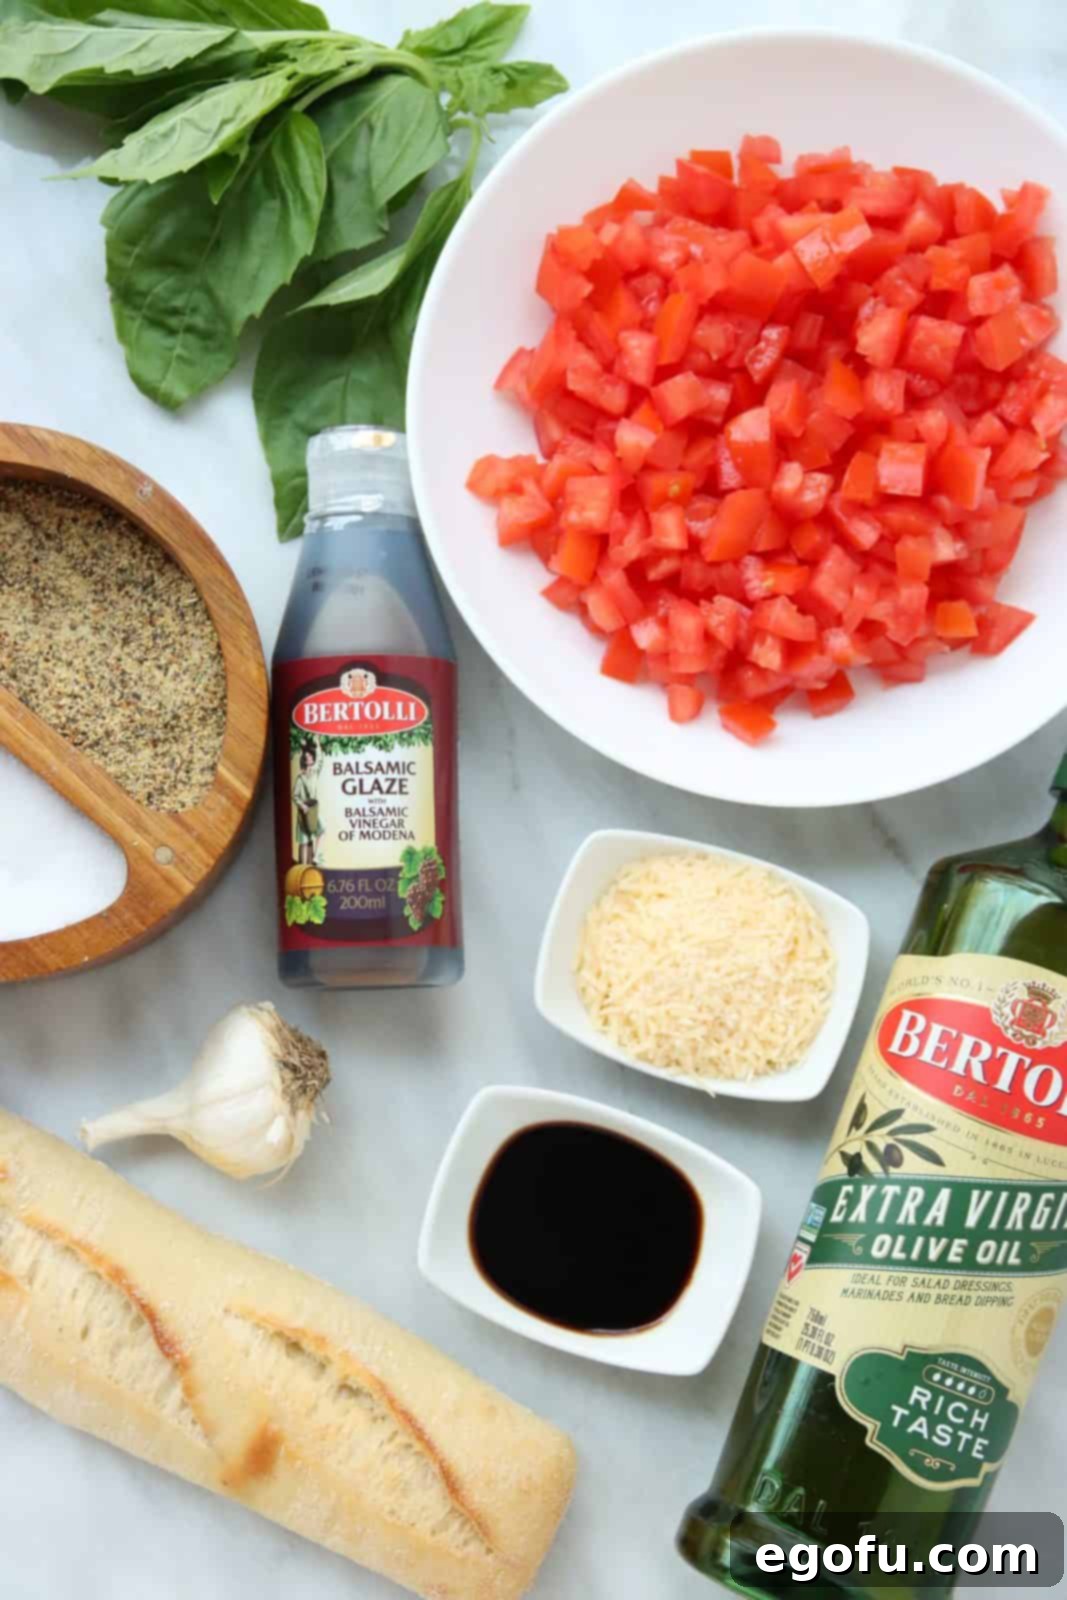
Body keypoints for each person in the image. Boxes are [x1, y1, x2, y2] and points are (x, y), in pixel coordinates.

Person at [293, 739, 325, 866]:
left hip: (314, 810)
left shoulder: (315, 772)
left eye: (311, 756)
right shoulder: (300, 778)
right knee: (304, 841)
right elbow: (295, 796)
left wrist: (318, 744)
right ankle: (302, 867)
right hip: (304, 812)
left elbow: (320, 760)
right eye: (307, 757)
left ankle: (316, 857)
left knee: (321, 830)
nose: (310, 758)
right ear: (304, 761)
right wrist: (302, 805)